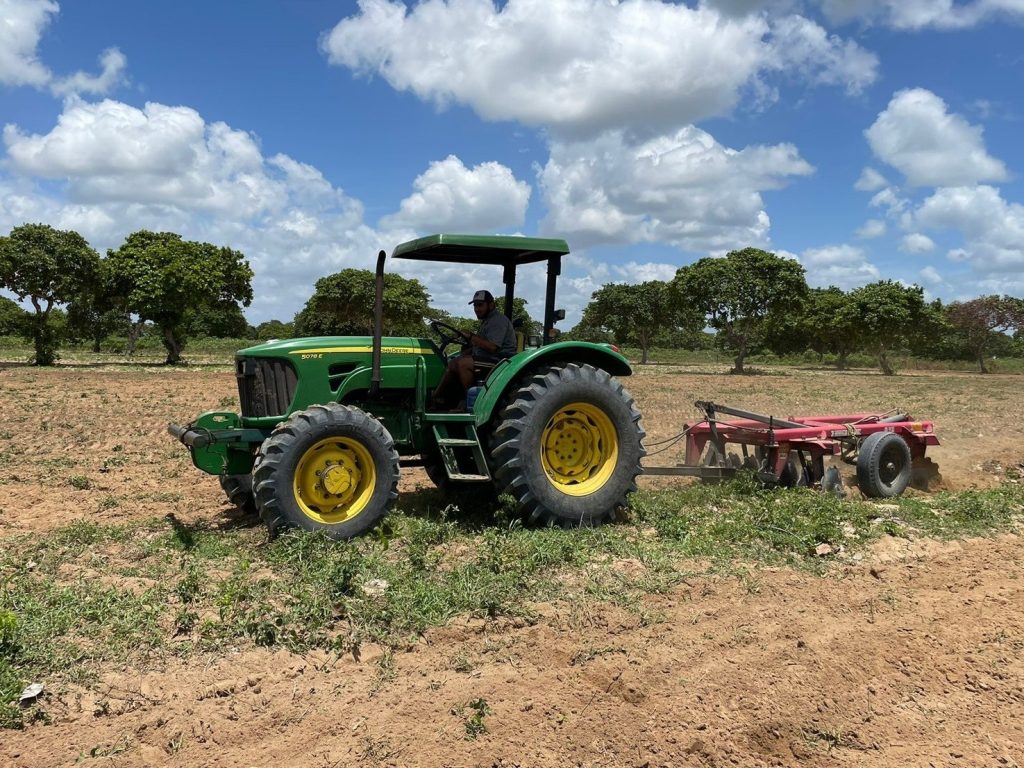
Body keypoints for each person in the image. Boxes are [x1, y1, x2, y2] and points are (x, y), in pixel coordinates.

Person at [432, 289, 517, 410]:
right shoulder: (486, 321)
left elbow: (492, 347)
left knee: (463, 363)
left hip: (501, 361)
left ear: (491, 305)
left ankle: (470, 402)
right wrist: (468, 349)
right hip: (489, 358)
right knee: (453, 362)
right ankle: (440, 399)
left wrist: (471, 336)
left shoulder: (498, 321)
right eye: (475, 306)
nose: (477, 309)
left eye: (480, 305)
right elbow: (480, 345)